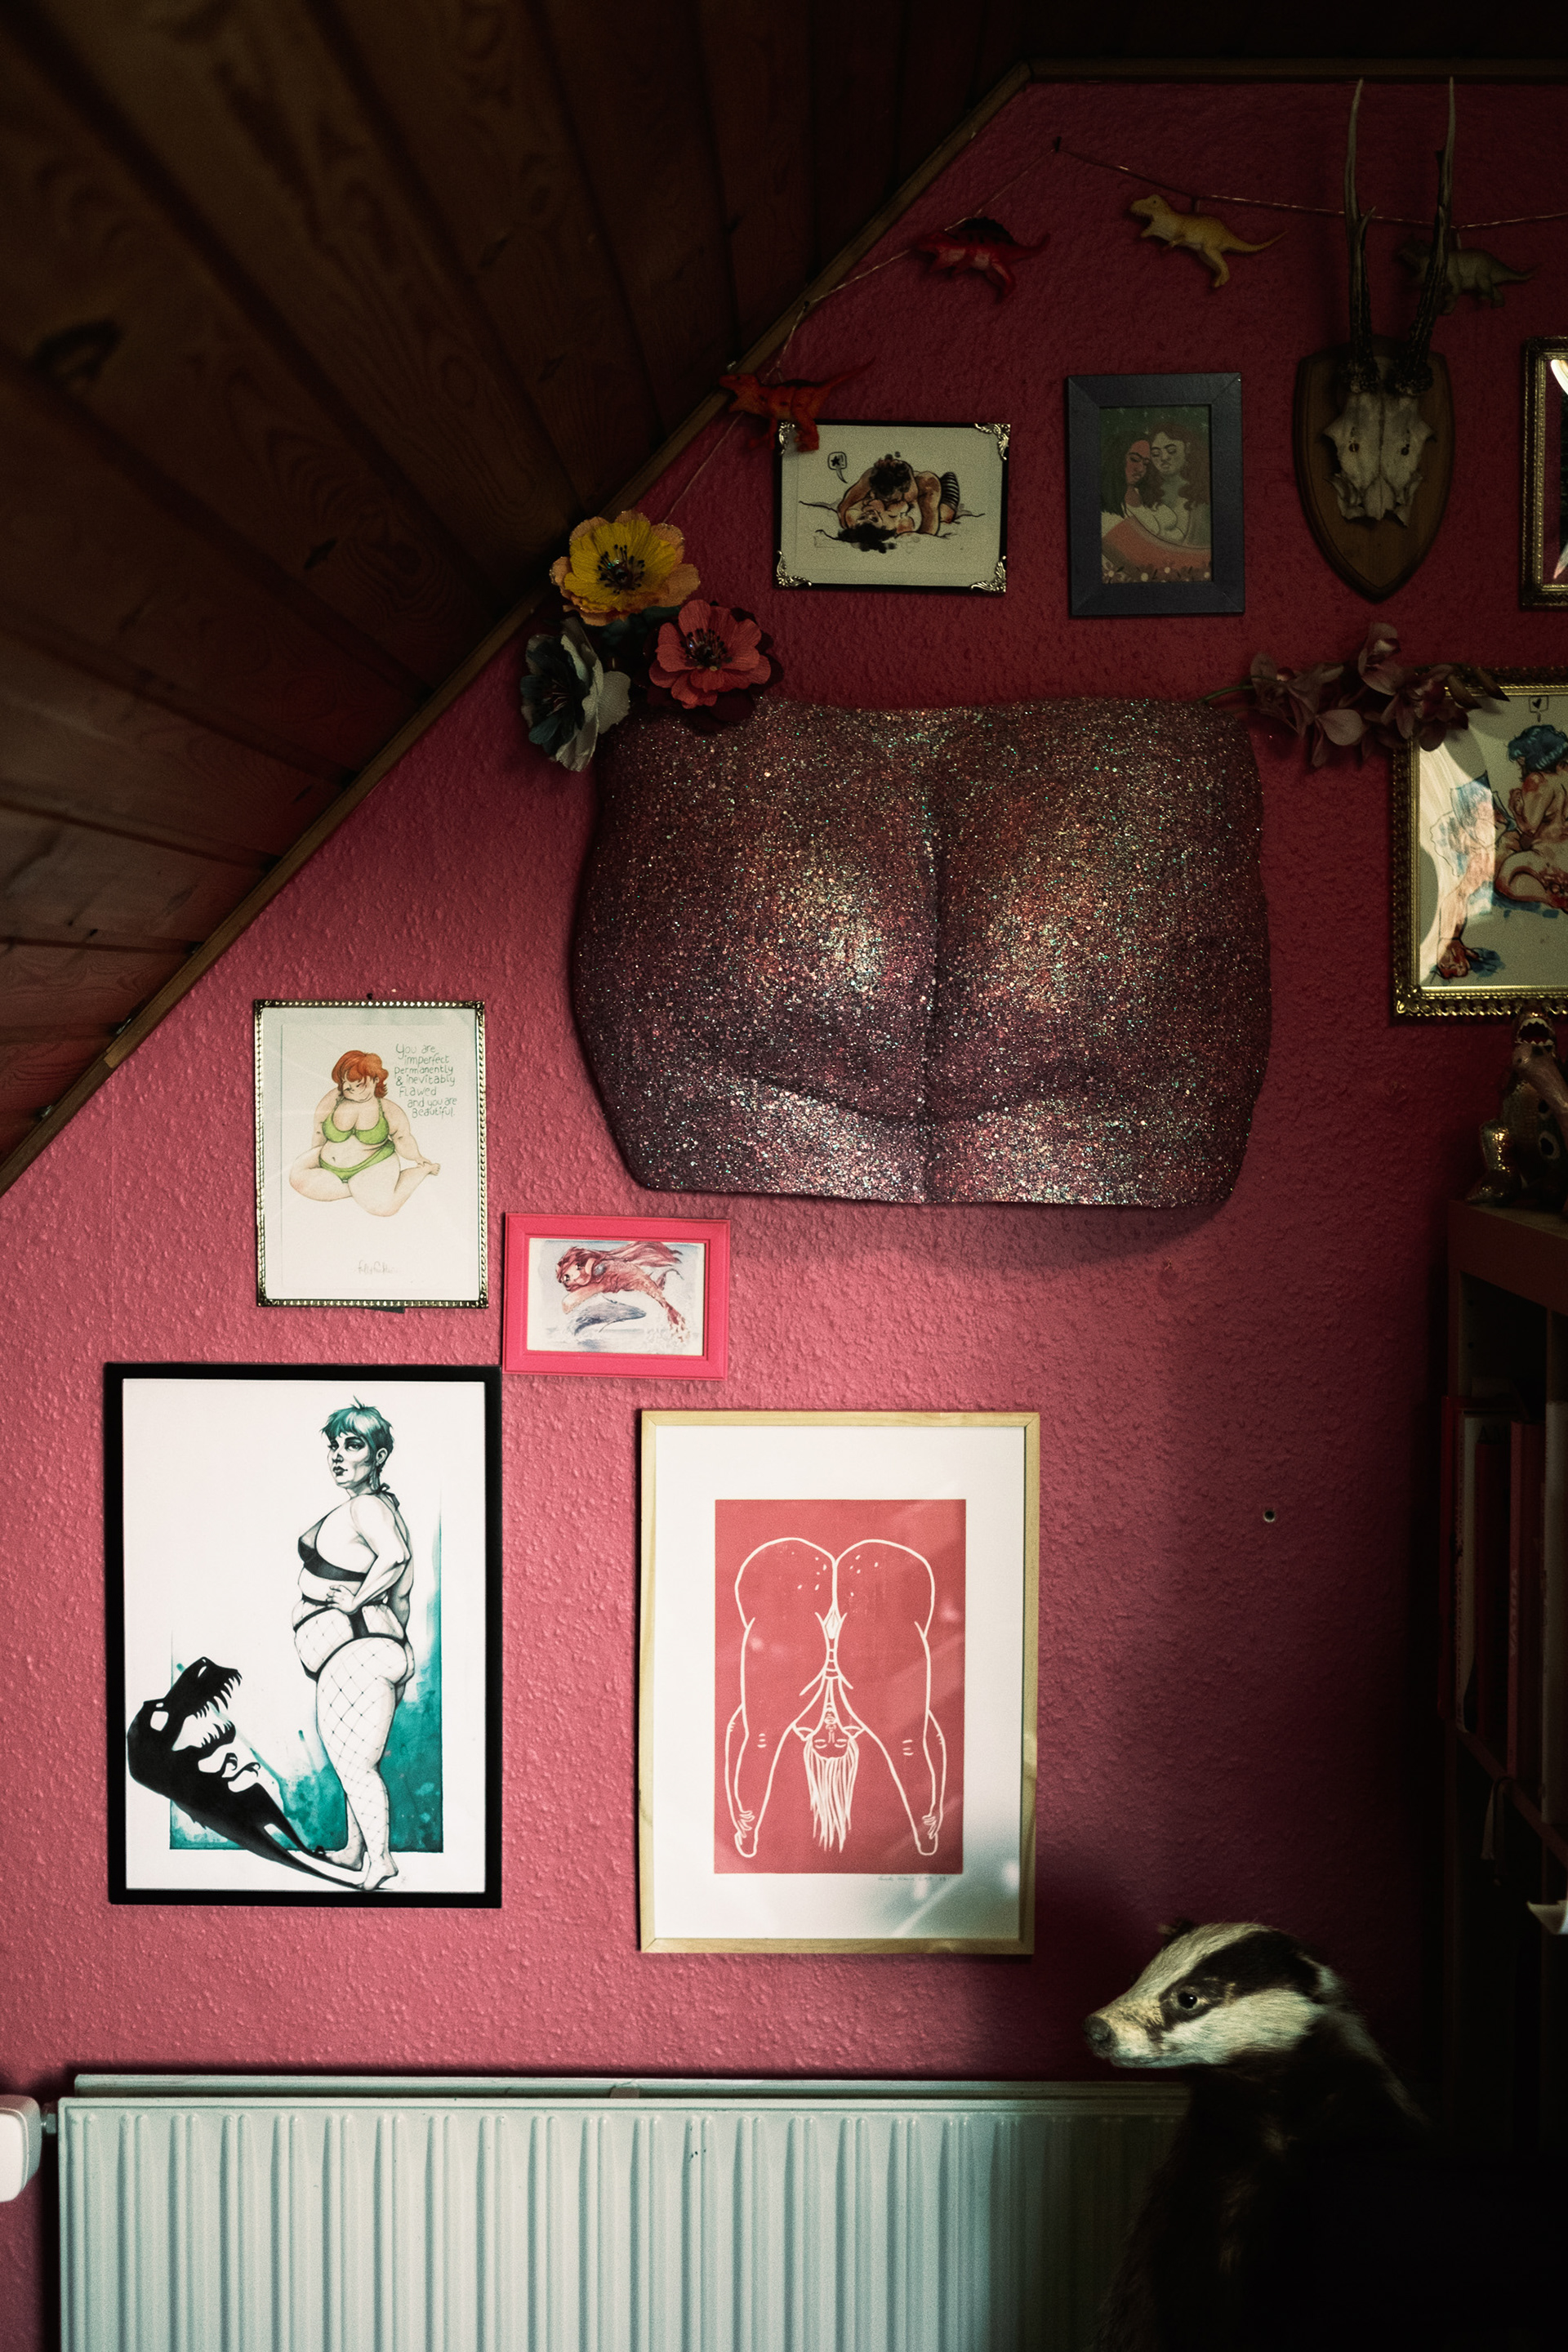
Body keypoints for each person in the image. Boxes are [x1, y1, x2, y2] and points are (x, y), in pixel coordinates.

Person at [292, 1403, 415, 1892]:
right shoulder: (386, 1510)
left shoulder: (367, 1507)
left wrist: (356, 1601)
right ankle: (354, 1849)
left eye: (353, 1445)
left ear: (378, 1456)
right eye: (334, 1446)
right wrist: (402, 1653)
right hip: (374, 1648)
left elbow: (396, 1559)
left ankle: (380, 1861)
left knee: (355, 1763)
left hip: (356, 1652)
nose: (338, 1455)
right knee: (353, 1756)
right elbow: (402, 1597)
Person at [288, 1049, 439, 1216]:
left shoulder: (387, 1109)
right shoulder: (334, 1099)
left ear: (375, 1079)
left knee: (385, 1208)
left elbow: (402, 1137)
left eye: (358, 1084)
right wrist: (318, 1154)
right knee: (297, 1178)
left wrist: (417, 1157)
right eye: (346, 1084)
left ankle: (422, 1171)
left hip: (371, 1164)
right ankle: (360, 1189)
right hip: (330, 1166)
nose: (351, 1089)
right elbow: (319, 1128)